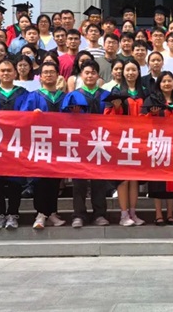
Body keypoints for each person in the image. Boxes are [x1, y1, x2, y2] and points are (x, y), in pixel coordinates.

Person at [62, 60, 112, 228]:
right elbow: (63, 119)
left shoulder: (107, 95)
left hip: (100, 142)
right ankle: (79, 214)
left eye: (93, 73)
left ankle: (100, 214)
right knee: (79, 181)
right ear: (81, 75)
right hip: (80, 143)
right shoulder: (73, 95)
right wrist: (72, 114)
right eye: (87, 73)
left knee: (99, 181)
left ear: (98, 75)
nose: (90, 76)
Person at [0, 58, 30, 230]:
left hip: (16, 143)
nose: (6, 73)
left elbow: (27, 114)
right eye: (2, 70)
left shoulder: (23, 93)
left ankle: (12, 214)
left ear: (15, 73)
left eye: (9, 70)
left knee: (15, 181)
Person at [23, 61, 68, 229]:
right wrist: (32, 115)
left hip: (58, 144)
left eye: (52, 72)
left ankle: (52, 212)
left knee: (55, 180)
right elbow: (22, 117)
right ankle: (41, 213)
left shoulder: (64, 97)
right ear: (40, 77)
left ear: (57, 76)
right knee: (40, 179)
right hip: (40, 143)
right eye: (45, 72)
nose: (49, 75)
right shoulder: (34, 96)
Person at [104, 58, 148, 227]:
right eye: (127, 70)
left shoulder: (144, 92)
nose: (130, 73)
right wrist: (116, 107)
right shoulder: (116, 91)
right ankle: (123, 215)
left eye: (133, 70)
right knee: (123, 179)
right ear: (122, 73)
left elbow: (149, 116)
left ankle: (133, 213)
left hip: (139, 140)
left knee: (134, 178)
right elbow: (108, 118)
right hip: (122, 140)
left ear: (138, 72)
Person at [141, 71, 173, 225]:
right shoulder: (151, 100)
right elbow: (141, 122)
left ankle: (170, 214)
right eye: (164, 81)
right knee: (157, 182)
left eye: (169, 81)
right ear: (159, 84)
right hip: (157, 145)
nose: (167, 84)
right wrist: (152, 115)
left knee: (172, 180)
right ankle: (158, 214)